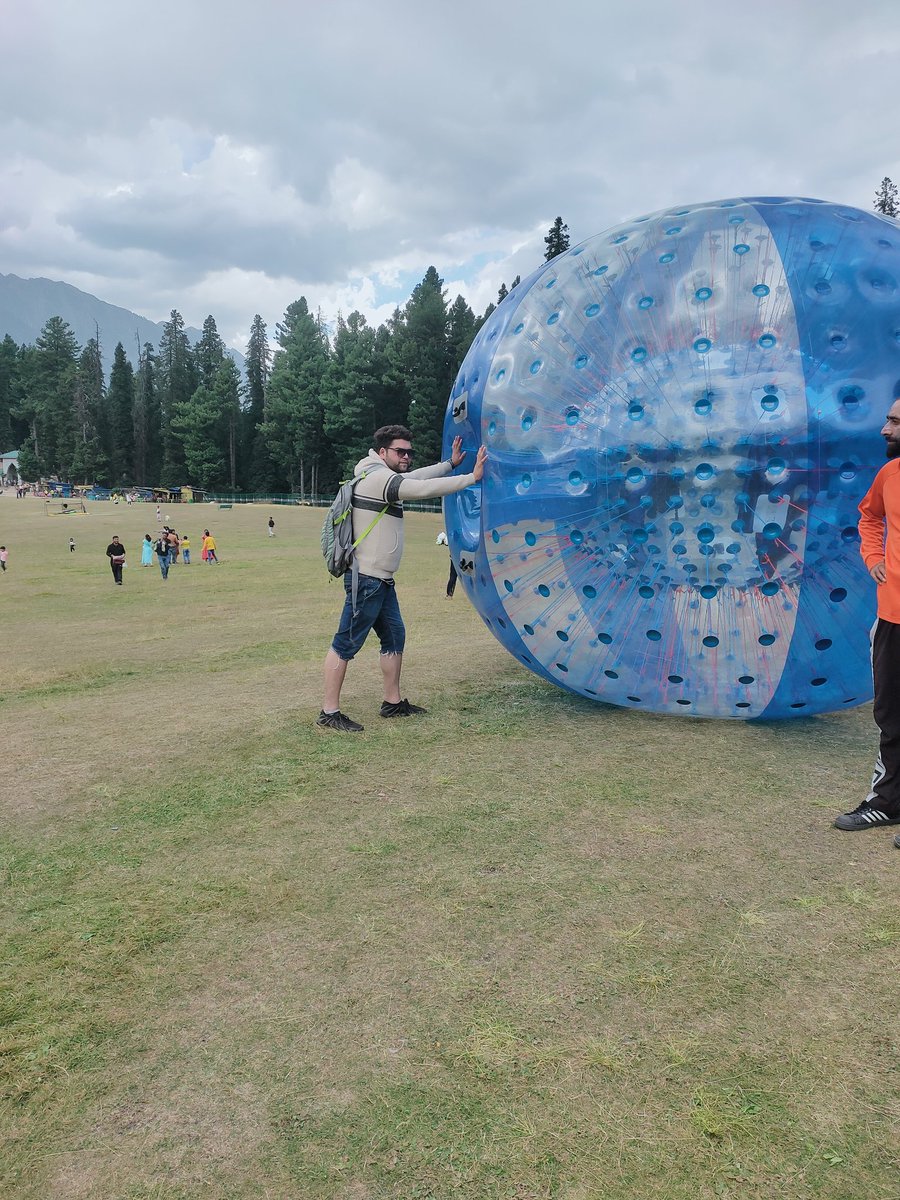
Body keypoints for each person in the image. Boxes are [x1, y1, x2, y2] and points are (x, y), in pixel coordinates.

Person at [317, 425, 487, 732]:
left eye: (409, 452)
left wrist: (449, 464)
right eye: (400, 452)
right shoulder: (379, 478)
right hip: (366, 580)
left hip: (381, 581)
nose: (407, 456)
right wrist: (470, 479)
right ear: (383, 453)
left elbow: (417, 477)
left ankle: (392, 703)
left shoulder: (381, 475)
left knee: (394, 638)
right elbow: (420, 489)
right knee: (345, 643)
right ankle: (329, 711)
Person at [835, 384, 900, 840]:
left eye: (895, 422)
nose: (885, 428)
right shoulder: (890, 474)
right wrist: (874, 558)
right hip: (892, 617)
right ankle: (888, 802)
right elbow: (870, 516)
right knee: (891, 715)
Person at [436, 530, 457, 598]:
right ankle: (449, 594)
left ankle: (449, 594)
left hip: (457, 558)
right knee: (453, 577)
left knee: (453, 576)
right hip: (455, 558)